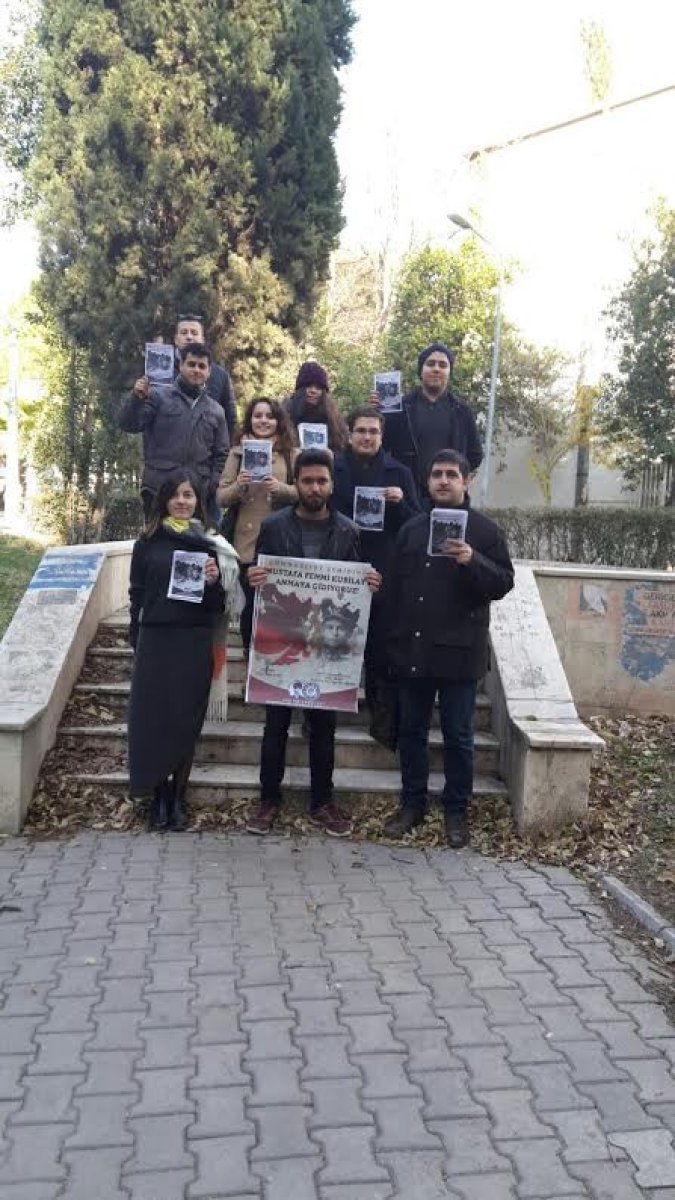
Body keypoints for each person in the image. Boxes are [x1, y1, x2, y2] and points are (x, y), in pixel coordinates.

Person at [245, 449, 381, 838]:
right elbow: (255, 577)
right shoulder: (273, 526)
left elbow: (354, 589)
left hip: (326, 648)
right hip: (282, 640)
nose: (315, 488)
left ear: (332, 485)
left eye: (322, 481)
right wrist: (251, 578)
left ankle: (322, 801)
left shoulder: (349, 531)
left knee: (324, 726)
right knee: (275, 725)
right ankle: (268, 800)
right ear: (296, 484)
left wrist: (370, 585)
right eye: (307, 481)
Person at [382, 449, 514, 848]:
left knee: (458, 736)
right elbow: (395, 589)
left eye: (451, 474)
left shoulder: (486, 532)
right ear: (427, 481)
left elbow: (503, 583)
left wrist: (473, 560)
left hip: (460, 653)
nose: (443, 480)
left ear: (465, 481)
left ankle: (456, 810)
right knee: (411, 733)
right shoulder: (412, 530)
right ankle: (412, 804)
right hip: (415, 651)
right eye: (437, 474)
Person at [127, 469, 226, 831]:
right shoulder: (147, 542)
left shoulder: (209, 544)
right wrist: (135, 636)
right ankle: (158, 797)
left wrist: (214, 582)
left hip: (193, 640)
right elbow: (136, 593)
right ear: (164, 500)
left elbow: (218, 606)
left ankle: (178, 799)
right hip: (156, 640)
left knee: (185, 722)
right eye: (175, 495)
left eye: (189, 495)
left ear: (198, 502)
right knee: (154, 721)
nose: (182, 501)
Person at [332, 405, 421, 739]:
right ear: (349, 434)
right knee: (332, 642)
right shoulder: (333, 467)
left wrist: (401, 502)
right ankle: (320, 715)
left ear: (382, 436)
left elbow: (417, 523)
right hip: (339, 568)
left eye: (373, 431)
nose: (367, 437)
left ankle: (382, 721)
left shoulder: (399, 473)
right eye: (361, 431)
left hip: (383, 571)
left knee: (381, 647)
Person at [217, 397, 298, 650]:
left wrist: (281, 488)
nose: (263, 421)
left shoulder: (291, 453)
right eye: (258, 415)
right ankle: (249, 661)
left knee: (279, 613)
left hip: (281, 543)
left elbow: (306, 491)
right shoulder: (237, 453)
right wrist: (239, 486)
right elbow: (220, 497)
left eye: (269, 416)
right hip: (246, 544)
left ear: (278, 421)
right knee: (249, 611)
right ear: (250, 419)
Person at [119, 343, 228, 522]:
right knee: (158, 539)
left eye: (202, 366)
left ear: (209, 372)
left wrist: (210, 486)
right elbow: (129, 424)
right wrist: (136, 399)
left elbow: (222, 455)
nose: (196, 370)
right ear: (181, 366)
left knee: (195, 541)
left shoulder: (216, 410)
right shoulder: (157, 396)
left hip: (196, 496)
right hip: (157, 490)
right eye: (191, 364)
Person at [380, 343, 483, 495]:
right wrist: (376, 411)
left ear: (449, 372)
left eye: (443, 365)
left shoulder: (462, 411)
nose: (436, 369)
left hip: (448, 495)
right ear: (421, 371)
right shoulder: (399, 409)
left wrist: (454, 476)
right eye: (430, 364)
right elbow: (381, 449)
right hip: (407, 494)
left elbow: (475, 454)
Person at [173, 312, 237, 440]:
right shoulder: (160, 374)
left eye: (194, 333)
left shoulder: (220, 375)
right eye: (184, 333)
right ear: (175, 339)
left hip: (208, 447)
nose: (189, 337)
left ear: (202, 339)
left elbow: (230, 419)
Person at [284, 361, 348, 452]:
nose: (313, 391)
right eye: (308, 386)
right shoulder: (285, 416)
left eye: (318, 388)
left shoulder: (334, 422)